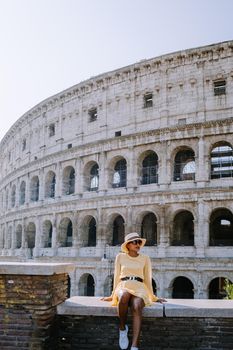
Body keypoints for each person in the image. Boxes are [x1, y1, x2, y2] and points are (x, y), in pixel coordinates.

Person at [101, 232, 166, 350]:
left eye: (139, 242)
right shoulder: (120, 257)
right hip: (123, 284)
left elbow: (147, 278)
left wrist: (153, 297)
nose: (138, 244)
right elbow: (116, 276)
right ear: (128, 245)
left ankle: (135, 345)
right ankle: (122, 329)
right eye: (135, 242)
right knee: (124, 296)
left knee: (137, 306)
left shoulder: (145, 258)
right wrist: (112, 295)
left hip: (139, 286)